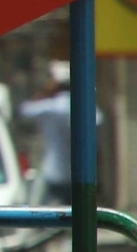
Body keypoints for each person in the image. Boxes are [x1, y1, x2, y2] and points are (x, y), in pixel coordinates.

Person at [18, 61, 97, 206]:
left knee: (40, 215)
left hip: (53, 172)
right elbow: (99, 120)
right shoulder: (84, 108)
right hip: (80, 175)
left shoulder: (50, 108)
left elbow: (25, 110)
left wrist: (45, 92)